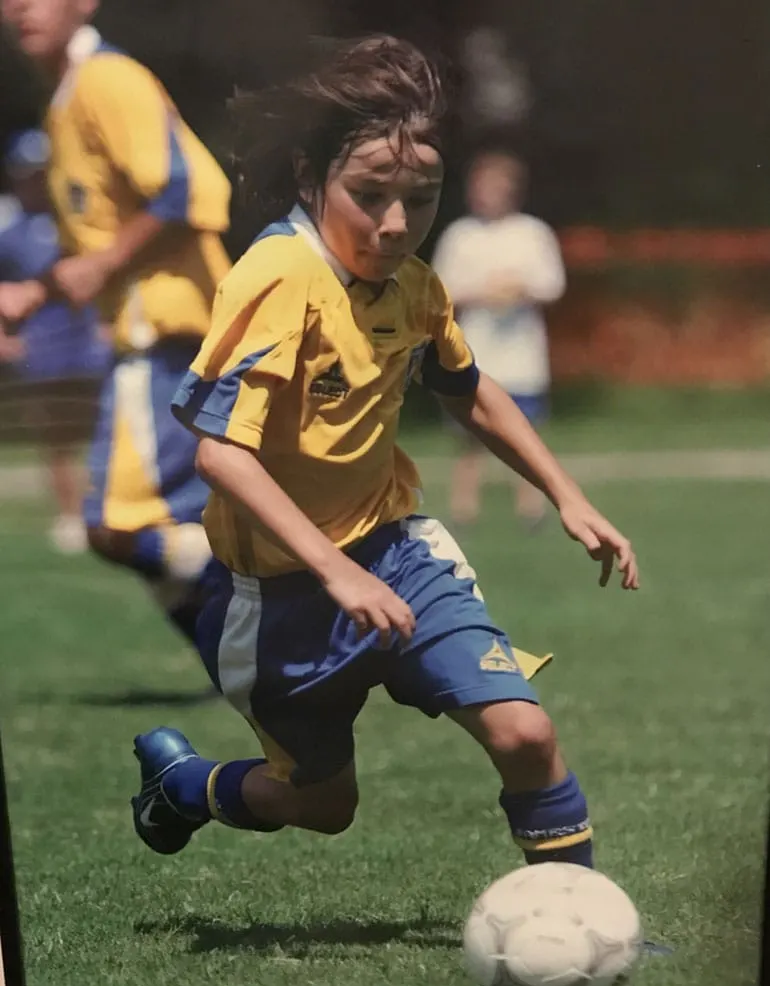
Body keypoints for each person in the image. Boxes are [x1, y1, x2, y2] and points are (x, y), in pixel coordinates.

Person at [127, 35, 638, 869]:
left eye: (423, 198)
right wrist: (336, 572)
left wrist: (565, 493)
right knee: (324, 806)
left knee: (525, 729)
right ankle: (185, 785)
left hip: (400, 555)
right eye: (369, 196)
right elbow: (221, 455)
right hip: (282, 598)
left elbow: (466, 385)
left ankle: (579, 913)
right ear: (308, 177)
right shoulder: (281, 278)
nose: (397, 224)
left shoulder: (414, 286)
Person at [0, 0, 233, 667]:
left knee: (113, 526)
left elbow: (188, 192)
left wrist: (101, 263)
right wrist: (38, 289)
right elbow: (101, 240)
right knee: (172, 537)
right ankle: (254, 677)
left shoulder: (108, 81)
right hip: (157, 342)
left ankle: (278, 577)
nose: (21, 8)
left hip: (165, 339)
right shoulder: (66, 100)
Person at [431, 151, 566, 528]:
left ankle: (531, 507)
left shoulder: (533, 233)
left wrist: (519, 287)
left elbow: (552, 284)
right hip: (476, 352)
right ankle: (464, 508)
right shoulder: (460, 236)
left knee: (525, 434)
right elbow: (441, 290)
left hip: (522, 354)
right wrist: (483, 291)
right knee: (469, 436)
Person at [0, 127, 109, 554]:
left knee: (103, 428)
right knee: (56, 435)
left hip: (87, 341)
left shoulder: (76, 220)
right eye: (29, 173)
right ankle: (69, 516)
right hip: (41, 348)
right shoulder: (9, 229)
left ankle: (105, 511)